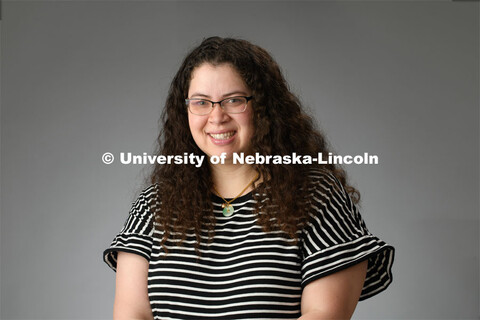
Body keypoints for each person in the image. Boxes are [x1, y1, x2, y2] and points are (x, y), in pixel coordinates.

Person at [103, 36, 395, 320]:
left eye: (233, 100)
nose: (216, 117)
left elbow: (325, 313)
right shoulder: (153, 204)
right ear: (185, 111)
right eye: (201, 102)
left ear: (265, 108)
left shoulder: (315, 195)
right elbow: (133, 313)